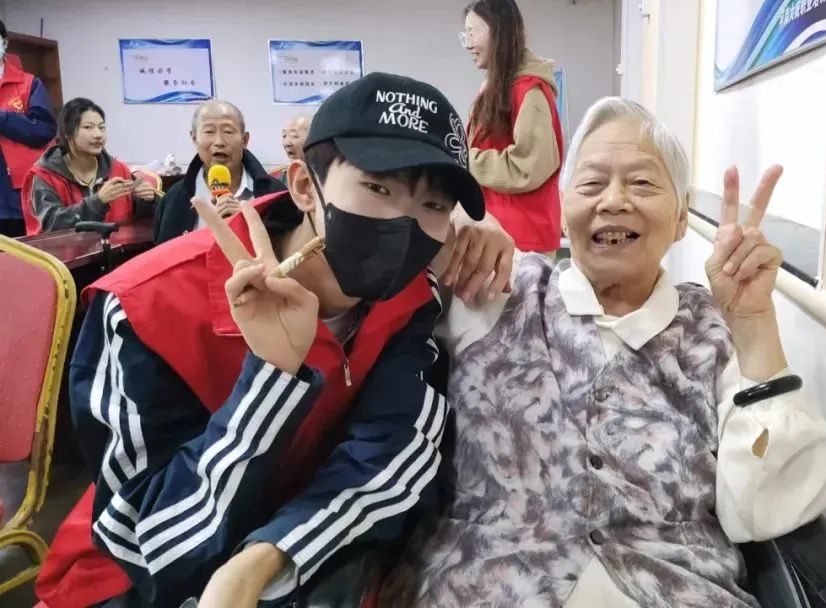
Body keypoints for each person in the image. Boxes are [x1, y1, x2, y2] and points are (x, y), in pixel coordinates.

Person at [35, 72, 513, 608]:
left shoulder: (411, 299)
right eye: (379, 189)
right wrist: (271, 381)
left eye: (434, 206)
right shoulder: (143, 305)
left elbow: (395, 450)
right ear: (306, 186)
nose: (404, 224)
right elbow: (147, 536)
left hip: (295, 556)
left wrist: (271, 555)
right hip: (129, 580)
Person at [381, 97, 826, 607]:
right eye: (592, 183)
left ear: (681, 218)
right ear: (563, 209)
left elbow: (768, 511)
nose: (614, 201)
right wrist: (457, 220)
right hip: (481, 585)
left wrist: (753, 322)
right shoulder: (497, 287)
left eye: (641, 184)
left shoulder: (711, 329)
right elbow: (373, 260)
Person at [462, 0, 563, 254]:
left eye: (473, 33)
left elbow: (528, 166)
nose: (468, 44)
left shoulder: (529, 91)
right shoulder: (496, 88)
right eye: (465, 35)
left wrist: (465, 160)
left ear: (499, 31)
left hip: (522, 241)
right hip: (497, 232)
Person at [154, 100, 286, 244]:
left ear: (244, 140)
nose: (219, 142)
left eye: (228, 132)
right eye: (209, 132)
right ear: (194, 139)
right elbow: (162, 253)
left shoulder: (275, 194)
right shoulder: (174, 199)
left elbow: (289, 250)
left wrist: (246, 225)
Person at [21, 97, 156, 235]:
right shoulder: (45, 176)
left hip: (117, 247)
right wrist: (98, 201)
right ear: (67, 133)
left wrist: (146, 201)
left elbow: (140, 222)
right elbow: (51, 223)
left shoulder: (118, 169)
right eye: (88, 127)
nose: (98, 135)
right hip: (66, 249)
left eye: (101, 127)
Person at [0, 19, 57, 237]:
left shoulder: (29, 84)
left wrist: (3, 119)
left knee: (21, 254)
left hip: (18, 196)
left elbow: (43, 130)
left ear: (4, 43)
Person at [269, 114, 311, 180]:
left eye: (294, 136)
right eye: (284, 136)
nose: (286, 143)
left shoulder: (325, 177)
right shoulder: (275, 178)